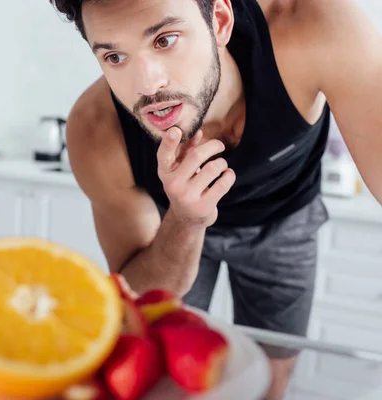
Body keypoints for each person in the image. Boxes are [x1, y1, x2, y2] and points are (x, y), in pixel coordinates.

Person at [49, 0, 382, 398]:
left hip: (286, 220)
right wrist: (186, 219)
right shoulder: (96, 132)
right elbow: (135, 296)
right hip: (171, 229)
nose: (147, 85)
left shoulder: (311, 26)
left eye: (165, 39)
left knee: (270, 380)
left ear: (220, 20)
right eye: (115, 56)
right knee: (167, 379)